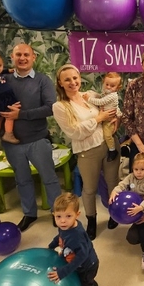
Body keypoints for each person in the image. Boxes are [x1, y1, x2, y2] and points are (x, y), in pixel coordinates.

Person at [53, 64, 120, 240]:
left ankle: (114, 214)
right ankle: (91, 220)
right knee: (89, 189)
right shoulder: (60, 106)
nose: (72, 82)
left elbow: (112, 109)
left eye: (75, 78)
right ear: (60, 83)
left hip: (109, 145)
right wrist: (98, 119)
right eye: (67, 79)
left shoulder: (91, 95)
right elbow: (74, 132)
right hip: (87, 151)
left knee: (113, 183)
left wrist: (115, 120)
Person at [2, 43, 63, 232]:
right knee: (22, 180)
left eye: (26, 55)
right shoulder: (4, 80)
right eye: (18, 54)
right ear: (12, 57)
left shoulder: (42, 80)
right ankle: (29, 213)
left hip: (38, 139)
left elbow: (50, 108)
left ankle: (57, 213)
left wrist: (20, 115)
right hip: (12, 142)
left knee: (49, 178)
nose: (22, 58)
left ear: (33, 57)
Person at [48, 192, 107, 286]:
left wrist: (63, 272)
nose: (63, 221)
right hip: (83, 264)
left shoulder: (77, 235)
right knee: (89, 282)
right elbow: (60, 236)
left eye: (68, 216)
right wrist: (51, 246)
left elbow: (81, 257)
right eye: (58, 216)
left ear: (77, 215)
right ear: (54, 215)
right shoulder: (65, 227)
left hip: (86, 265)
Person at [83, 72, 123, 162]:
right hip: (106, 117)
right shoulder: (105, 94)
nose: (108, 87)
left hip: (109, 120)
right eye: (107, 84)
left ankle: (112, 151)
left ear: (117, 88)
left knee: (107, 135)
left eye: (112, 86)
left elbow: (100, 102)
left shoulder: (112, 96)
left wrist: (88, 99)